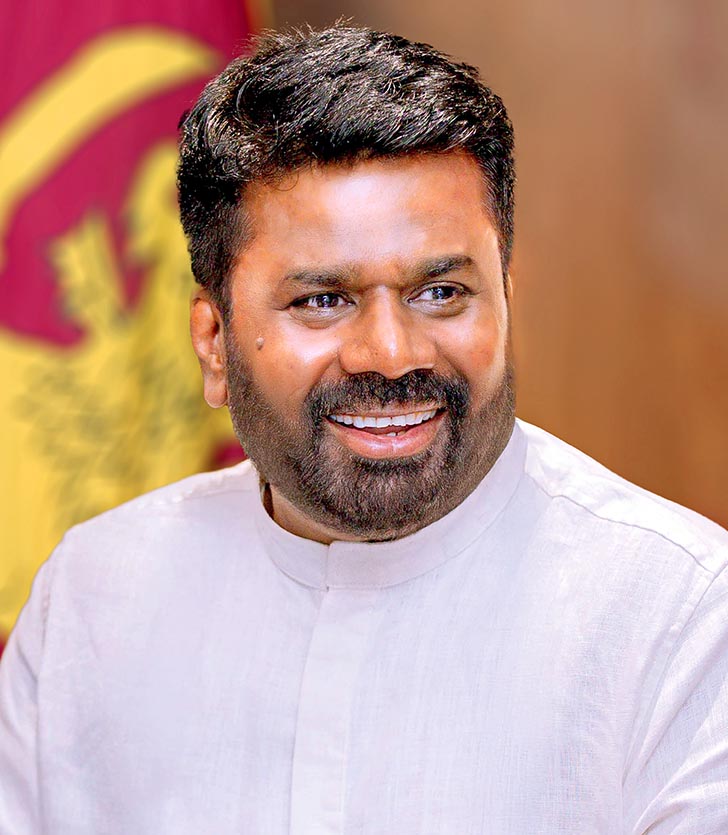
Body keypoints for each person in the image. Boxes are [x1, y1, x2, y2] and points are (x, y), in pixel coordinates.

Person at [1, 24, 727, 834]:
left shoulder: (682, 619)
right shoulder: (92, 598)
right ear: (213, 343)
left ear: (508, 301)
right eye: (322, 300)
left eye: (441, 293)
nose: (390, 353)